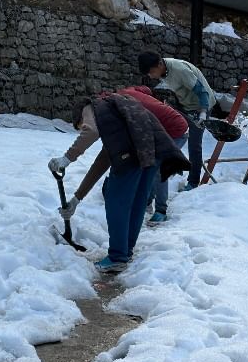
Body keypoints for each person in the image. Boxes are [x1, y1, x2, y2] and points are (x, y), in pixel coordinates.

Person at [48, 93, 189, 273]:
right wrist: (77, 199)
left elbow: (91, 131)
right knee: (137, 202)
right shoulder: (116, 120)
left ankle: (117, 257)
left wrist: (67, 158)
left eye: (80, 125)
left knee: (116, 202)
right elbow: (102, 162)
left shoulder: (92, 107)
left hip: (134, 153)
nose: (83, 128)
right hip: (152, 151)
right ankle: (125, 252)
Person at [137, 51, 215, 191]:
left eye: (152, 72)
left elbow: (202, 91)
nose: (151, 76)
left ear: (159, 64)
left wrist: (203, 112)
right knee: (169, 134)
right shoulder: (163, 69)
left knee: (194, 145)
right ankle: (174, 165)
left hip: (201, 105)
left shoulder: (180, 70)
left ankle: (193, 182)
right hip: (185, 104)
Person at [117, 86, 189, 223]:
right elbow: (147, 90)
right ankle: (147, 201)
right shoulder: (126, 92)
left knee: (159, 170)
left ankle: (161, 210)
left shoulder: (129, 110)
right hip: (163, 126)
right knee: (149, 164)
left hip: (176, 131)